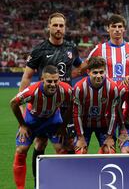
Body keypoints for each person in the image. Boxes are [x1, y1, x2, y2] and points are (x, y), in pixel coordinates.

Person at [18, 12, 82, 185]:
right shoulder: (39, 50)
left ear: (65, 28)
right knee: (40, 143)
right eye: (55, 25)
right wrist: (23, 110)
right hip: (44, 105)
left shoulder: (71, 48)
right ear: (49, 26)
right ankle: (38, 181)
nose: (58, 28)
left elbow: (80, 67)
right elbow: (26, 78)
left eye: (61, 25)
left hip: (65, 105)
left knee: (68, 143)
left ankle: (71, 182)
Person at [10, 65, 72, 189]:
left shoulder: (66, 90)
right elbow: (13, 103)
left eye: (56, 80)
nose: (53, 84)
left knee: (62, 149)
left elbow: (72, 104)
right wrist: (22, 124)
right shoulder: (32, 91)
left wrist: (63, 125)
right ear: (42, 79)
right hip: (32, 121)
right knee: (21, 150)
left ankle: (62, 184)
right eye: (49, 81)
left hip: (53, 120)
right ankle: (20, 188)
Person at [73, 57, 119, 154]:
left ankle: (101, 159)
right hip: (85, 125)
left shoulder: (112, 88)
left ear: (105, 71)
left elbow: (114, 114)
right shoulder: (79, 88)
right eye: (95, 72)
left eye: (101, 72)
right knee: (80, 152)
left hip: (103, 124)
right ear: (88, 72)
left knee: (110, 151)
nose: (98, 76)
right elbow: (77, 114)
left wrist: (110, 137)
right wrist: (80, 137)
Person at [85, 14, 129, 84]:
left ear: (124, 29)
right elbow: (84, 70)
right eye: (114, 26)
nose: (117, 30)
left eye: (120, 27)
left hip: (128, 93)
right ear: (107, 28)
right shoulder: (99, 49)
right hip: (107, 93)